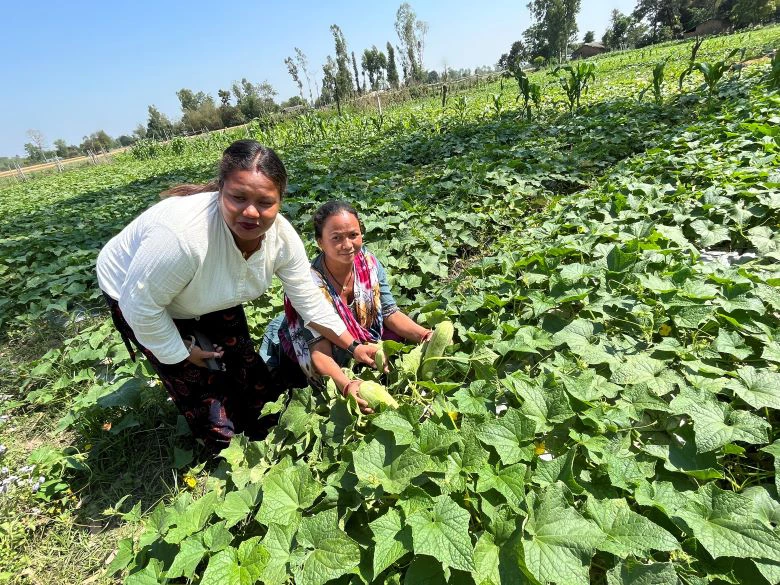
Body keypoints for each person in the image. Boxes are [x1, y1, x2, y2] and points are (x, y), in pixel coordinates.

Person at [96, 140, 379, 451]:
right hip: (140, 296)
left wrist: (352, 345)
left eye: (265, 202)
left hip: (209, 291)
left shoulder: (281, 238)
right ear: (220, 190)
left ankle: (260, 425)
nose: (251, 212)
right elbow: (141, 308)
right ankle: (227, 442)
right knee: (206, 395)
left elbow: (309, 300)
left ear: (280, 200)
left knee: (250, 374)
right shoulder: (182, 238)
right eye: (238, 197)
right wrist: (183, 351)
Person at [266, 200, 432, 413]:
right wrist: (346, 386)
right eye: (336, 238)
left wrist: (426, 335)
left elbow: (389, 311)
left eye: (353, 235)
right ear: (320, 242)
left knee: (396, 337)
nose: (347, 245)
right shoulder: (307, 286)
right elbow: (318, 351)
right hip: (320, 348)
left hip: (357, 344)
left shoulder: (370, 264)